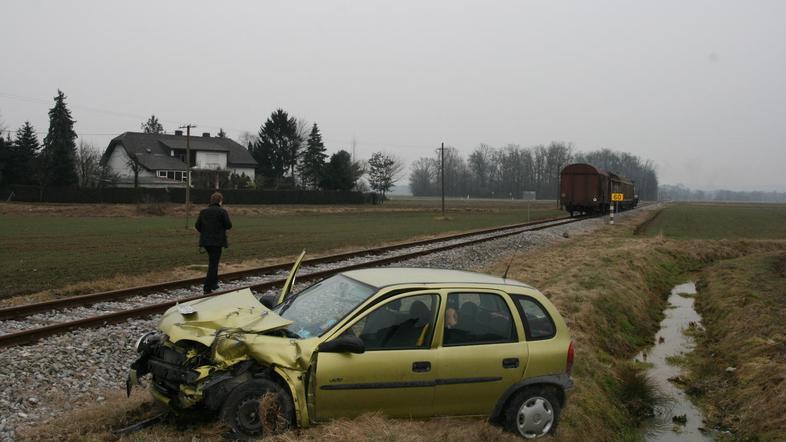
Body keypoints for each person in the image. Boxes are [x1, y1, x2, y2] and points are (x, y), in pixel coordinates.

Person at [195, 192, 232, 294]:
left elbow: (197, 226)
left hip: (206, 242)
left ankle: (214, 284)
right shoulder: (222, 211)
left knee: (213, 262)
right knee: (213, 264)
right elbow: (228, 225)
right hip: (217, 241)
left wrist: (206, 232)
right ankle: (208, 286)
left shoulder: (203, 212)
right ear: (220, 201)